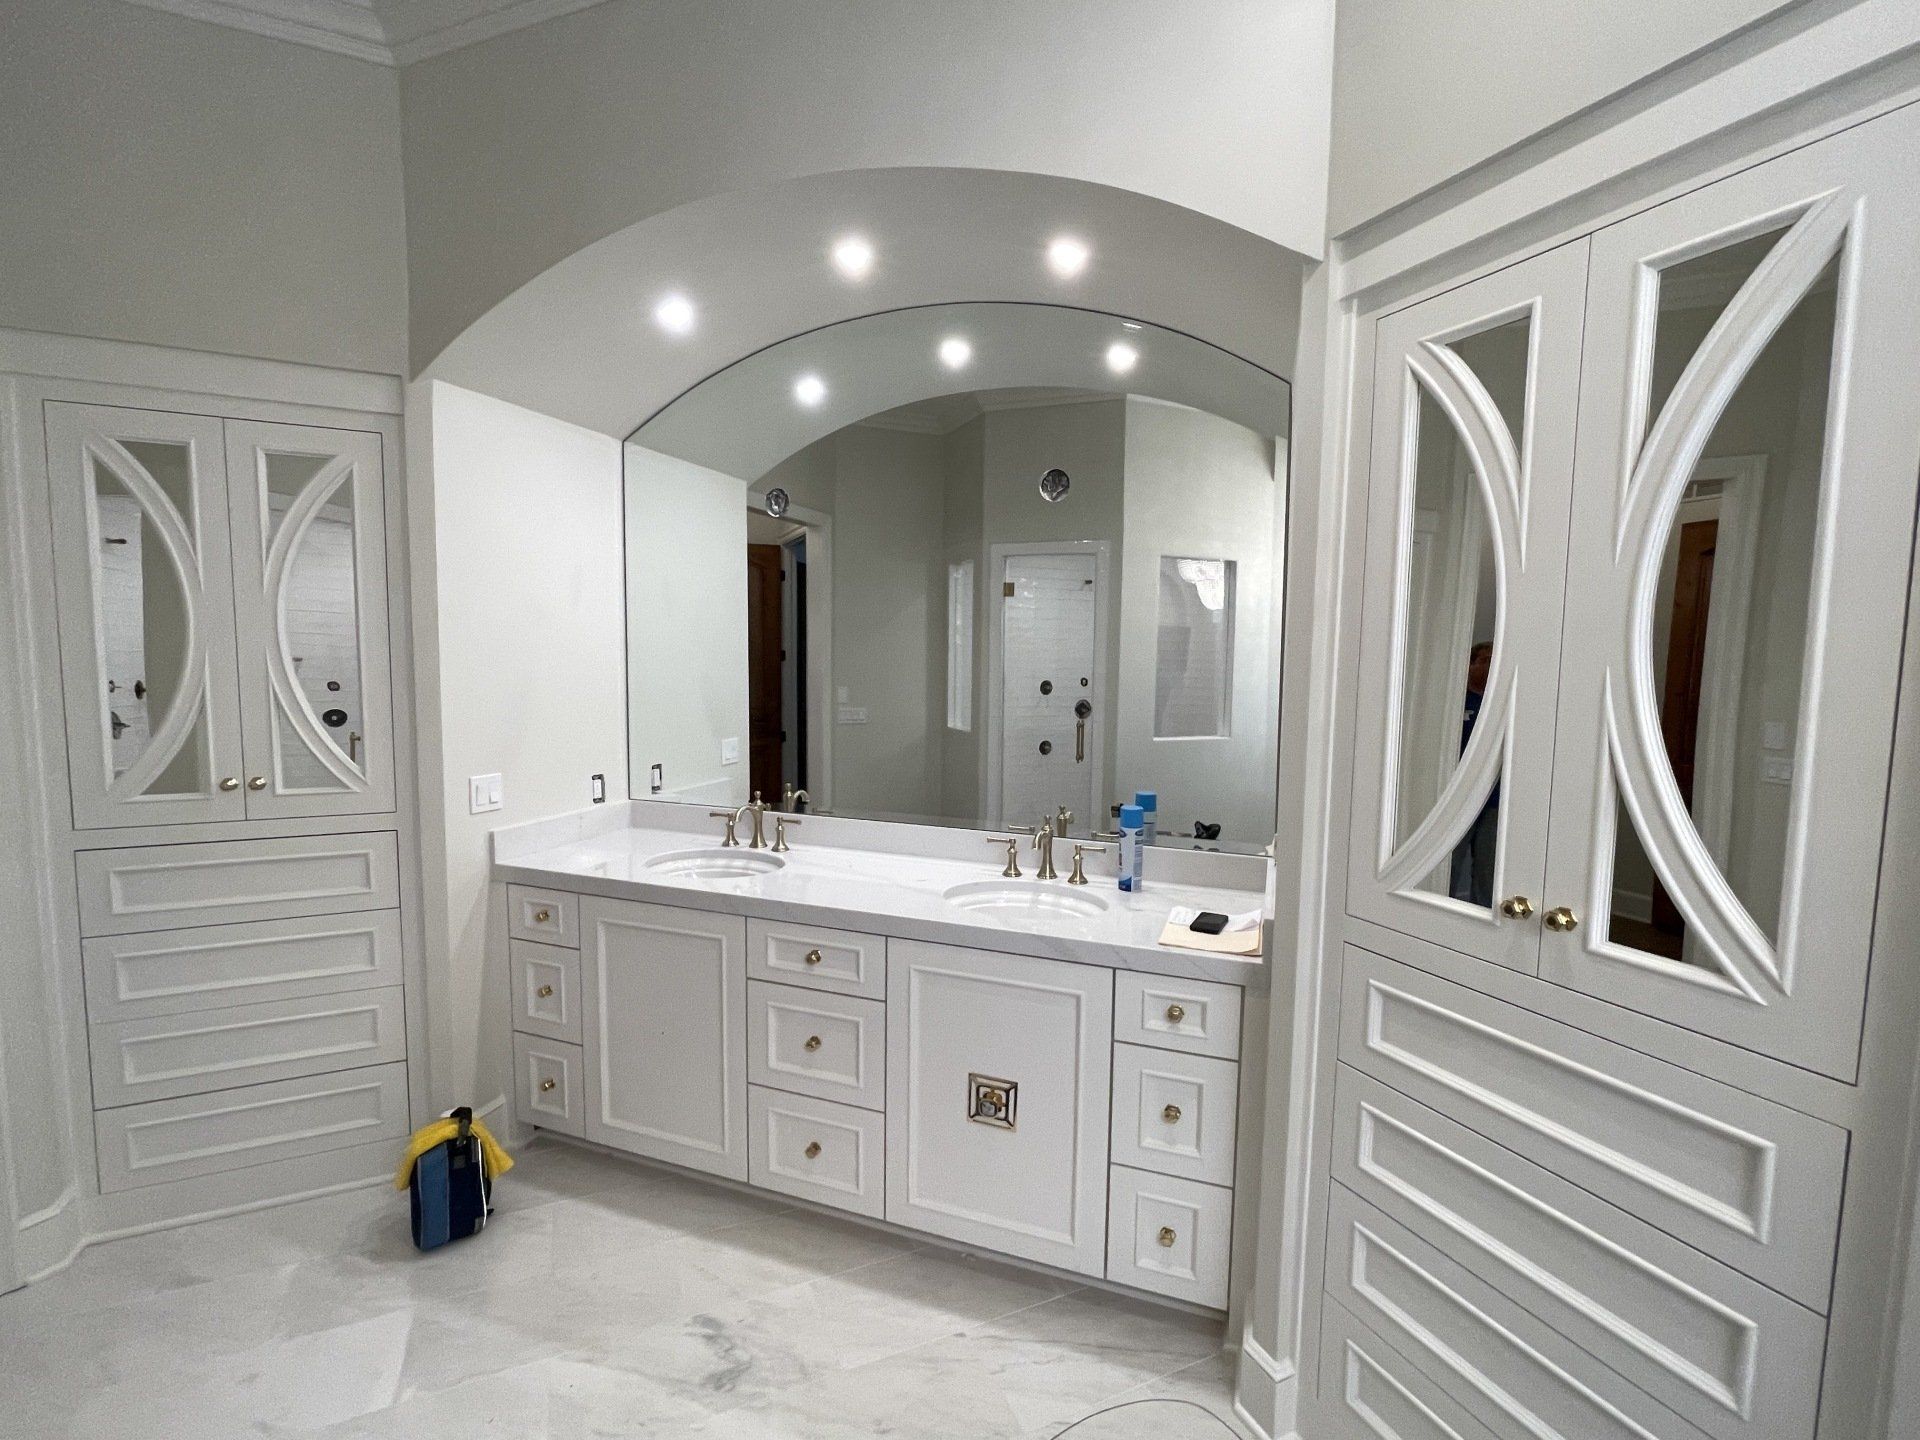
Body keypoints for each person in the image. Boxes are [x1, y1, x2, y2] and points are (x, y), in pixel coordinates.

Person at [1449, 641, 1499, 907]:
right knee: (1450, 861)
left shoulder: (1498, 704)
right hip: (1456, 797)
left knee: (1488, 866)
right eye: (1487, 659)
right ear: (1471, 664)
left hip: (1494, 799)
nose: (1493, 665)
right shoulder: (1454, 700)